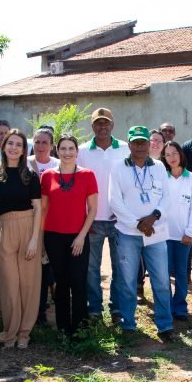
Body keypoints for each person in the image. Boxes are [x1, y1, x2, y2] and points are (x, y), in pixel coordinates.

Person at [108, 126, 174, 342]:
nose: (139, 146)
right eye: (135, 142)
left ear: (149, 144)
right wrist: (137, 223)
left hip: (155, 231)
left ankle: (165, 324)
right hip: (128, 232)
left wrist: (153, 216)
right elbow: (114, 201)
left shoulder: (158, 167)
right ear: (129, 145)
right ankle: (128, 323)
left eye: (143, 142)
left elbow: (166, 197)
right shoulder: (118, 168)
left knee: (162, 279)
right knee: (127, 281)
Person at [0, 130, 42, 348]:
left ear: (23, 149)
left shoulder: (30, 175)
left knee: (29, 283)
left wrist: (35, 240)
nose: (14, 147)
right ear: (4, 146)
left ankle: (24, 333)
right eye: (10, 143)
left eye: (19, 144)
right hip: (4, 227)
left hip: (29, 227)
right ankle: (10, 331)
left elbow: (38, 208)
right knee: (9, 283)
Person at [41, 135, 98, 336]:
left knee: (78, 281)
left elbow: (92, 210)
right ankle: (63, 328)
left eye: (71, 148)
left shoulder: (88, 175)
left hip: (78, 237)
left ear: (77, 151)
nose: (67, 152)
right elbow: (44, 209)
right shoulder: (47, 176)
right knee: (61, 282)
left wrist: (81, 236)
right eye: (63, 148)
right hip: (53, 237)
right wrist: (40, 238)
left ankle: (80, 329)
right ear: (57, 151)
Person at [77, 107, 129, 322]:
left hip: (119, 220)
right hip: (92, 220)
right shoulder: (82, 151)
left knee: (119, 267)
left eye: (106, 122)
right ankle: (95, 310)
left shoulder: (125, 149)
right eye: (98, 123)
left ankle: (116, 309)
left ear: (112, 125)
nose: (102, 126)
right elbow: (79, 186)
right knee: (91, 269)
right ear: (92, 127)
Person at [161, 141, 192, 321]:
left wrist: (190, 231)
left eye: (174, 153)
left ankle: (180, 306)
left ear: (181, 154)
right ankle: (167, 306)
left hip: (183, 235)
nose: (172, 158)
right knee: (164, 272)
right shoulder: (161, 177)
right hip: (163, 234)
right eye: (167, 154)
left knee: (181, 272)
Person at [28, 126, 59, 325]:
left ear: (52, 146)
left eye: (45, 142)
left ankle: (48, 307)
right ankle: (37, 312)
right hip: (29, 222)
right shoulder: (25, 163)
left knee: (50, 268)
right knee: (34, 269)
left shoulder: (58, 164)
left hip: (52, 222)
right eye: (37, 142)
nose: (40, 146)